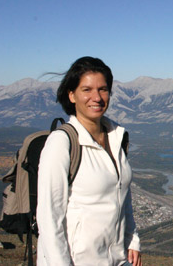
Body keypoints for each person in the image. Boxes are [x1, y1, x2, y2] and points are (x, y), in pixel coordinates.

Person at [36, 57, 142, 265]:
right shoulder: (62, 143)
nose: (97, 97)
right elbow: (49, 219)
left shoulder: (116, 136)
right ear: (71, 95)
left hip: (117, 259)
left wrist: (132, 239)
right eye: (87, 90)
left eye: (103, 89)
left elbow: (123, 195)